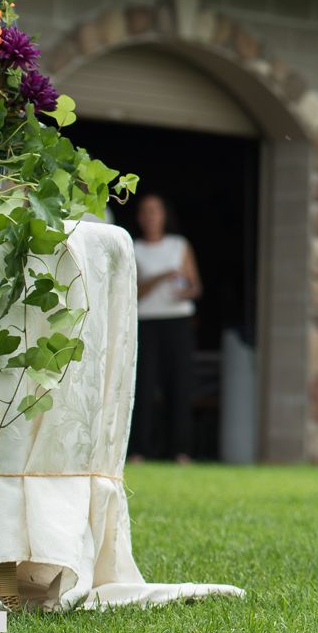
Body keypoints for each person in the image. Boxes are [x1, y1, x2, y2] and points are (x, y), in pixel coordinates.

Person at [130, 194, 201, 464]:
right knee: (144, 385)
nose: (151, 216)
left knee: (179, 384)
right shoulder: (134, 247)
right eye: (145, 211)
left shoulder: (179, 245)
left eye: (155, 211)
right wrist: (162, 276)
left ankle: (180, 449)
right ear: (139, 217)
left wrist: (184, 288)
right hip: (146, 320)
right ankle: (140, 449)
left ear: (164, 215)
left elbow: (196, 287)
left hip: (177, 319)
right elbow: (135, 291)